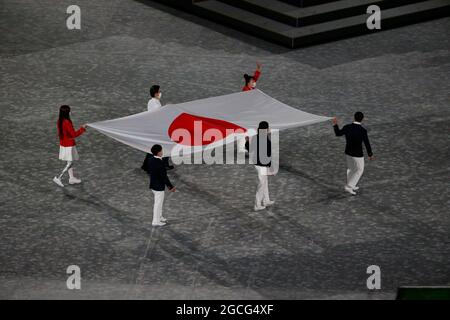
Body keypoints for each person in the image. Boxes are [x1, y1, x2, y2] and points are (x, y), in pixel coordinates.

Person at [332, 112, 374, 195]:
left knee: (351, 169)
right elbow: (367, 143)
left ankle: (351, 185)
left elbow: (338, 133)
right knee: (359, 170)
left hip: (348, 152)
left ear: (354, 118)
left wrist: (335, 124)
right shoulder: (362, 131)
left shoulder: (347, 127)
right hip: (357, 154)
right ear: (362, 119)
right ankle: (349, 186)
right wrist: (370, 154)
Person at [53, 105, 86, 187]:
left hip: (63, 144)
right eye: (69, 111)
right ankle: (59, 178)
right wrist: (82, 128)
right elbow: (74, 134)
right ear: (67, 113)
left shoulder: (59, 121)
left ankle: (71, 178)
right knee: (70, 163)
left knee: (69, 161)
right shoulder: (67, 122)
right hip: (69, 145)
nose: (70, 112)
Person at [142, 84, 174, 171]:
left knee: (156, 147)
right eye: (159, 91)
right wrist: (167, 107)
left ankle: (148, 165)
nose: (160, 93)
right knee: (162, 146)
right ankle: (150, 166)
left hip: (154, 127)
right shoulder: (156, 104)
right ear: (156, 93)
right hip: (158, 129)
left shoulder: (151, 101)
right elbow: (159, 113)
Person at [143, 144, 176, 226]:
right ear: (158, 153)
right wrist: (170, 187)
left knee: (159, 203)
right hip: (158, 187)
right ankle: (155, 221)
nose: (162, 151)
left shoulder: (150, 159)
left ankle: (160, 217)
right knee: (158, 204)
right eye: (161, 150)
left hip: (153, 184)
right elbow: (164, 177)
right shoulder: (160, 163)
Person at [250, 121, 275, 211]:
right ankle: (257, 205)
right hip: (262, 165)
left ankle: (266, 200)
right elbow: (268, 156)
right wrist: (271, 167)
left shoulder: (255, 137)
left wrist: (246, 142)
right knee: (262, 183)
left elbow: (250, 149)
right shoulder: (266, 140)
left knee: (265, 182)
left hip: (257, 163)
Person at [239, 62, 262, 153]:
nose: (254, 83)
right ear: (248, 83)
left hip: (252, 111)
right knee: (249, 130)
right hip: (247, 112)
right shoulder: (245, 90)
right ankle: (248, 146)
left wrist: (258, 68)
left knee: (252, 130)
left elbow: (256, 77)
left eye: (254, 82)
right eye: (252, 82)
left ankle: (249, 145)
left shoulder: (250, 87)